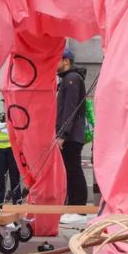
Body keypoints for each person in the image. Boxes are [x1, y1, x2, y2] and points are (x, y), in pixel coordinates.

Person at [56, 48, 87, 221]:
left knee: (73, 169)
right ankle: (73, 206)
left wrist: (62, 134)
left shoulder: (72, 80)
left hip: (71, 134)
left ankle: (79, 208)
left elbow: (70, 109)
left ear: (66, 61)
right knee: (69, 169)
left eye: (57, 59)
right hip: (70, 133)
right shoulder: (68, 80)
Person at [0, 110, 20, 208]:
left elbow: (12, 130)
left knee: (14, 177)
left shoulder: (17, 115)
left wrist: (2, 126)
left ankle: (17, 201)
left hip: (13, 150)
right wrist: (6, 124)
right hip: (0, 151)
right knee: (0, 177)